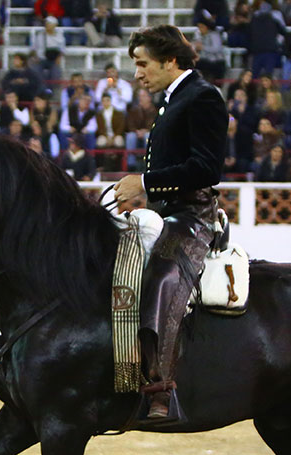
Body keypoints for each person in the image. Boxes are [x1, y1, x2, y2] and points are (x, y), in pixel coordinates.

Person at [114, 25, 228, 423]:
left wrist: (145, 182)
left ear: (170, 61)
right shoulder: (175, 98)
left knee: (163, 275)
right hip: (166, 212)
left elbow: (207, 168)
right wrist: (145, 193)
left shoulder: (202, 98)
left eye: (143, 64)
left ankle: (160, 389)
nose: (137, 74)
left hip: (193, 216)